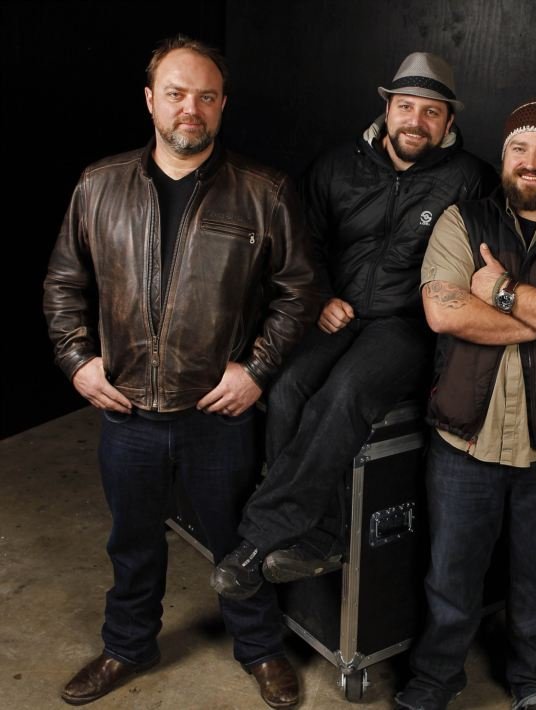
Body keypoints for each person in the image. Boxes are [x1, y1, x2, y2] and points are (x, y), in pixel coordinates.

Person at [42, 35, 317, 708]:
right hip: (126, 408)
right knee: (132, 541)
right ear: (150, 100)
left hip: (216, 411)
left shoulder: (264, 192)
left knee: (236, 541)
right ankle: (127, 645)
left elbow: (299, 291)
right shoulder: (99, 184)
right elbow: (63, 283)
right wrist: (77, 361)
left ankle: (260, 649)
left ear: (222, 105)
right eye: (175, 93)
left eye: (205, 96)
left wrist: (256, 370)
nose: (189, 108)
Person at [211, 52, 495, 599]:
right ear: (387, 109)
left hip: (408, 326)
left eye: (431, 112)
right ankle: (319, 534)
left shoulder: (471, 179)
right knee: (289, 386)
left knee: (343, 393)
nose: (416, 121)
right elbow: (303, 242)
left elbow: (482, 262)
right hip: (337, 314)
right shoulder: (337, 165)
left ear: (449, 122)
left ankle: (258, 538)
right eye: (406, 107)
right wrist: (321, 295)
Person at [395, 99, 536, 710]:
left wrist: (499, 291)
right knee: (450, 575)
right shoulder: (462, 220)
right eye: (519, 149)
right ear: (503, 159)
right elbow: (444, 312)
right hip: (464, 436)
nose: (531, 161)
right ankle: (435, 679)